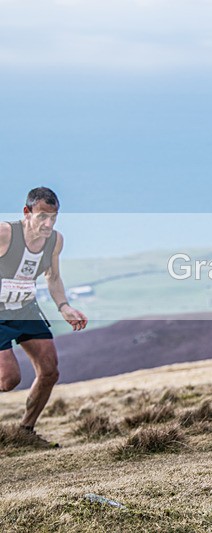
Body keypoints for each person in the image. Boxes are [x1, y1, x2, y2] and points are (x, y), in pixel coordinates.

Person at [0, 187, 88, 444]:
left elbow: (54, 277)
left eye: (53, 217)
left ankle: (25, 433)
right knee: (8, 380)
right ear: (27, 213)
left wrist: (64, 307)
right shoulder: (5, 233)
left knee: (50, 370)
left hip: (26, 310)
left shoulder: (55, 240)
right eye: (42, 217)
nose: (48, 223)